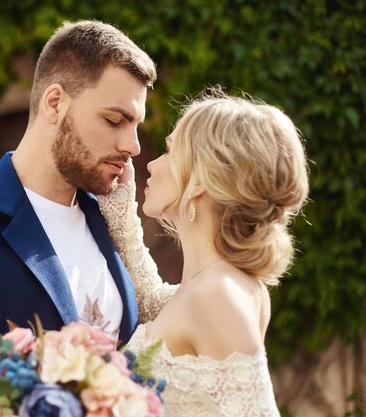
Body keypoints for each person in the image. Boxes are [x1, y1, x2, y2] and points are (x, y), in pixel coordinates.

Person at [0, 20, 172, 412]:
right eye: (114, 120)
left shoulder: (107, 219)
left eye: (136, 126)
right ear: (54, 102)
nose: (133, 146)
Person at [98, 89, 309, 416]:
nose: (151, 164)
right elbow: (151, 302)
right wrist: (122, 211)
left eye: (168, 151)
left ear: (199, 180)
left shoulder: (218, 294)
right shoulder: (218, 286)